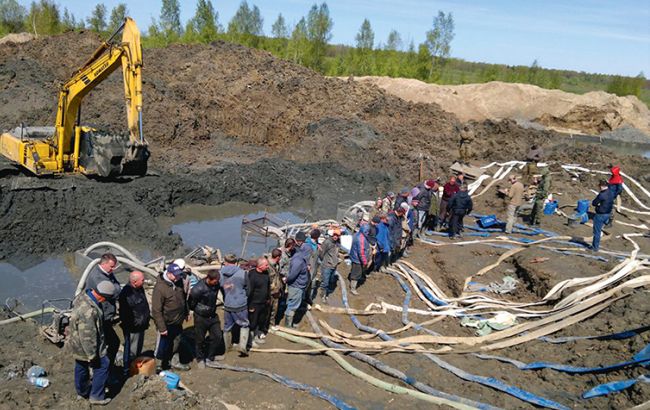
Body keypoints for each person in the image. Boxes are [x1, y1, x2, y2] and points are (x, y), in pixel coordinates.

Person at [70, 281, 119, 405]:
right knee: (103, 365)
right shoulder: (89, 311)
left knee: (80, 366)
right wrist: (92, 356)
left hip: (76, 343)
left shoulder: (83, 296)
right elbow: (88, 336)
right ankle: (96, 396)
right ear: (102, 297)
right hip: (87, 346)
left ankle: (82, 392)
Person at [84, 253, 121, 367]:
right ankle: (103, 366)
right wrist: (115, 289)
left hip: (107, 314)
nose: (113, 269)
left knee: (110, 342)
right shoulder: (97, 277)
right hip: (101, 316)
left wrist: (115, 288)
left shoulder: (108, 273)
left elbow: (117, 287)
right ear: (103, 264)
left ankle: (106, 364)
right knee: (111, 342)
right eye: (111, 266)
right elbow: (113, 292)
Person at [152, 263, 190, 371]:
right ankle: (159, 365)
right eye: (176, 275)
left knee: (176, 342)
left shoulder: (178, 282)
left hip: (177, 320)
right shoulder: (160, 288)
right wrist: (162, 327)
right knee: (162, 345)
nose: (178, 277)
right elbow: (156, 310)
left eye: (179, 274)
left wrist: (186, 313)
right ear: (169, 274)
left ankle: (174, 361)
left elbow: (183, 299)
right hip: (166, 322)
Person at [188, 269, 223, 368]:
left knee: (217, 336)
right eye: (215, 281)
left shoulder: (216, 284)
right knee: (200, 339)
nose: (217, 283)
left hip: (212, 315)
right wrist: (199, 310)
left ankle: (210, 356)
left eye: (217, 281)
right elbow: (191, 304)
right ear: (209, 279)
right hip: (200, 317)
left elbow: (221, 287)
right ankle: (200, 358)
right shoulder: (198, 289)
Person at [118, 270, 150, 378]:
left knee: (138, 348)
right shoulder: (126, 294)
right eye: (142, 280)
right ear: (134, 282)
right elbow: (125, 316)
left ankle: (135, 364)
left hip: (141, 325)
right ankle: (128, 369)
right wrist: (136, 324)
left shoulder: (139, 288)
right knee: (131, 349)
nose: (144, 281)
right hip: (133, 328)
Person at [220, 253, 250, 356]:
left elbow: (220, 287)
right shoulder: (242, 273)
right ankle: (242, 346)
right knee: (244, 324)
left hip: (228, 303)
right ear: (236, 262)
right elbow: (248, 289)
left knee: (227, 326)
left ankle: (228, 347)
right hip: (240, 303)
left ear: (225, 261)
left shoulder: (220, 273)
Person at [284, 232, 311, 328]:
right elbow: (292, 276)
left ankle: (289, 323)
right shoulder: (298, 261)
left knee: (293, 304)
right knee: (292, 306)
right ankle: (288, 326)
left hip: (298, 285)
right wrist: (287, 280)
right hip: (296, 286)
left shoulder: (298, 258)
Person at [246, 257, 271, 349]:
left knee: (260, 321)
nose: (268, 267)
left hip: (263, 303)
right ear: (259, 266)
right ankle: (250, 341)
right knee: (252, 322)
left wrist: (268, 298)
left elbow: (268, 287)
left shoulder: (266, 274)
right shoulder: (252, 275)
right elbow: (249, 291)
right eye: (266, 265)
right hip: (254, 303)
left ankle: (256, 337)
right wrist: (250, 305)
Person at [318, 228, 341, 303]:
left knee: (330, 280)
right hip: (327, 265)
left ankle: (325, 290)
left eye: (337, 236)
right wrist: (325, 261)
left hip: (334, 265)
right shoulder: (327, 242)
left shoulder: (337, 243)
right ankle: (323, 295)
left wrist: (336, 261)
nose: (335, 237)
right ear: (332, 234)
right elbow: (321, 253)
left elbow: (337, 253)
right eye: (335, 235)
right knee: (326, 282)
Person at [590, 180, 614, 251]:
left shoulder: (602, 195)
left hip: (600, 214)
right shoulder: (611, 192)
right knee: (604, 222)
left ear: (602, 186)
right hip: (608, 213)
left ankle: (595, 248)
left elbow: (594, 203)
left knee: (597, 232)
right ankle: (608, 222)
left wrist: (598, 204)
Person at [349, 224, 371, 295]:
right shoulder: (361, 239)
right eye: (367, 231)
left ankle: (354, 280)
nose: (368, 233)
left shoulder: (357, 235)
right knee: (356, 274)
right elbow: (361, 252)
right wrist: (365, 261)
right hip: (358, 259)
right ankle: (353, 288)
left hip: (354, 257)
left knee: (355, 271)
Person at [264, 248, 283, 330]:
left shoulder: (277, 265)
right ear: (278, 257)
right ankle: (264, 327)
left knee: (274, 310)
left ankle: (272, 324)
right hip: (269, 292)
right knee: (267, 310)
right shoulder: (267, 266)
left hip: (276, 291)